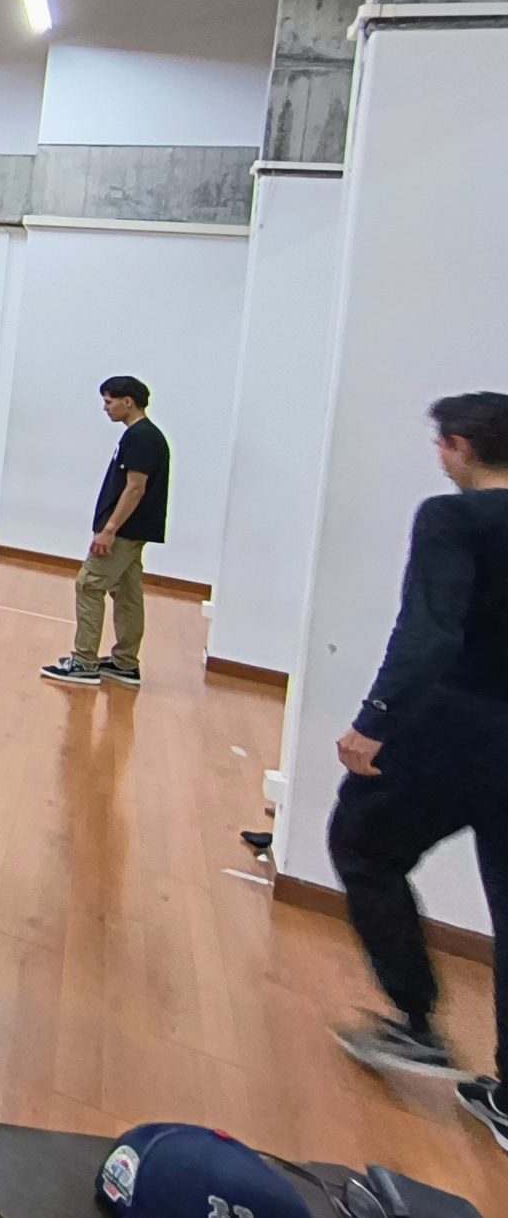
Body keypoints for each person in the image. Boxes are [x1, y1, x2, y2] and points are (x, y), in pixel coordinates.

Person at [328, 392, 508, 1148]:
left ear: (462, 446)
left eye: (443, 445)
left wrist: (374, 720)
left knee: (362, 841)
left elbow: (429, 631)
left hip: (458, 724)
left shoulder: (453, 518)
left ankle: (416, 1021)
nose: (441, 458)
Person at [42, 376, 171, 687]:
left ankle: (84, 661)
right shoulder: (143, 436)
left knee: (89, 585)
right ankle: (125, 663)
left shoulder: (140, 437)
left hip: (124, 531)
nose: (105, 407)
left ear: (129, 401)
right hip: (135, 530)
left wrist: (110, 528)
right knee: (126, 592)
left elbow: (135, 488)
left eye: (109, 401)